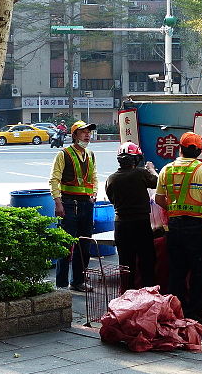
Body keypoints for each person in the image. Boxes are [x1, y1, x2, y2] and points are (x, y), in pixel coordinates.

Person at [155, 131, 202, 324]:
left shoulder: (166, 169)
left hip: (174, 227)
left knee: (177, 269)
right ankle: (195, 311)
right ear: (199, 150)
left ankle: (177, 310)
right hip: (196, 227)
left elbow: (158, 199)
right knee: (201, 270)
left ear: (179, 148)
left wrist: (174, 208)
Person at [49, 120, 97, 292]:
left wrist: (94, 194)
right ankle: (61, 284)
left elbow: (94, 177)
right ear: (75, 135)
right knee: (65, 245)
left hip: (86, 204)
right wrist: (58, 202)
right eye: (83, 132)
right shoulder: (64, 154)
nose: (87, 135)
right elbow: (54, 179)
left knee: (84, 246)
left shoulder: (90, 155)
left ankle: (77, 281)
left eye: (89, 132)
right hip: (68, 204)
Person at [105, 141, 158, 291]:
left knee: (125, 263)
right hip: (141, 223)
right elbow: (157, 183)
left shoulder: (111, 179)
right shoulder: (141, 173)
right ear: (136, 159)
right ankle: (149, 295)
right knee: (147, 260)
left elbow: (112, 199)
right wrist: (152, 170)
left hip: (121, 224)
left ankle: (127, 296)